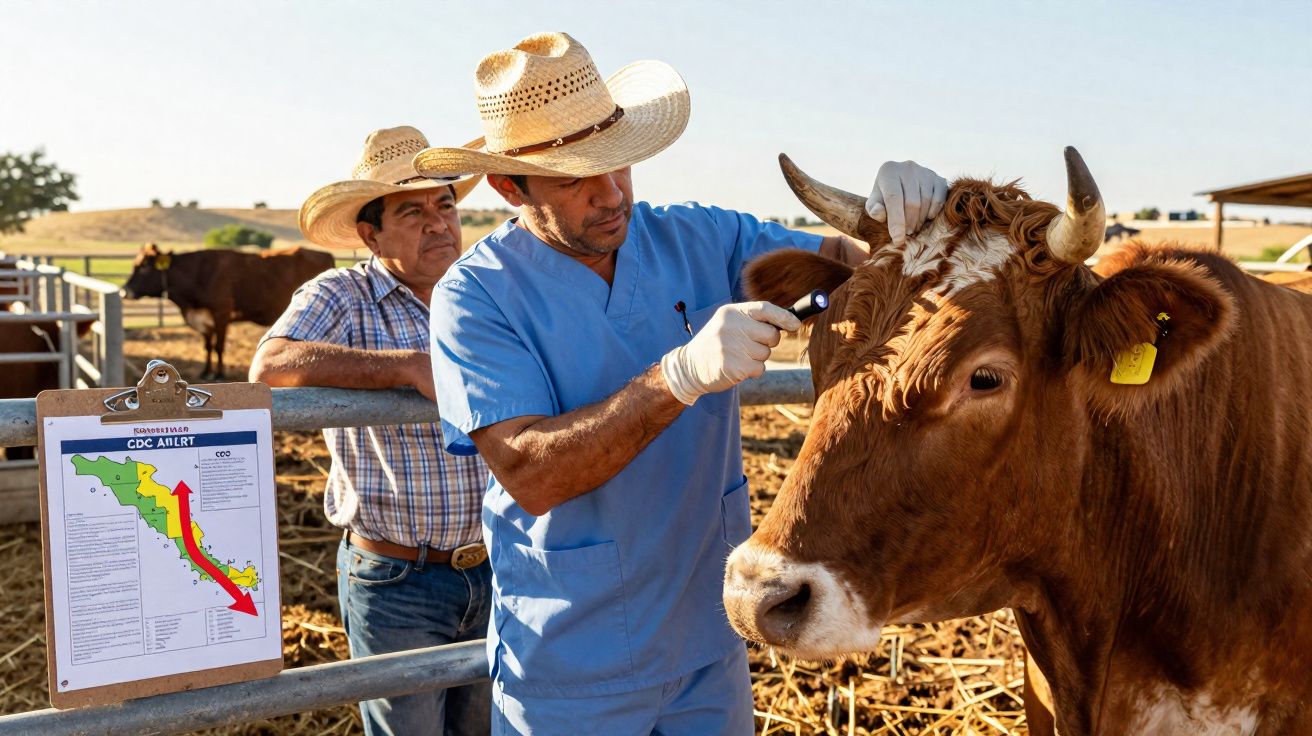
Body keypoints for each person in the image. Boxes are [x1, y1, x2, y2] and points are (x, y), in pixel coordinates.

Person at [415, 33, 946, 734]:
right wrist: (679, 375)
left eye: (619, 163)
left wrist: (899, 228)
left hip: (709, 640)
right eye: (576, 179)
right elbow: (529, 472)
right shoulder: (477, 295)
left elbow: (851, 267)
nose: (611, 194)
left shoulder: (700, 238)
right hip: (571, 661)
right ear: (509, 187)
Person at [249, 126, 492, 736]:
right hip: (397, 579)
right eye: (412, 212)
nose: (438, 224)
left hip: (498, 566)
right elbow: (270, 366)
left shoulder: (483, 293)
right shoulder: (342, 294)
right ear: (370, 233)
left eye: (445, 206)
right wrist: (406, 368)